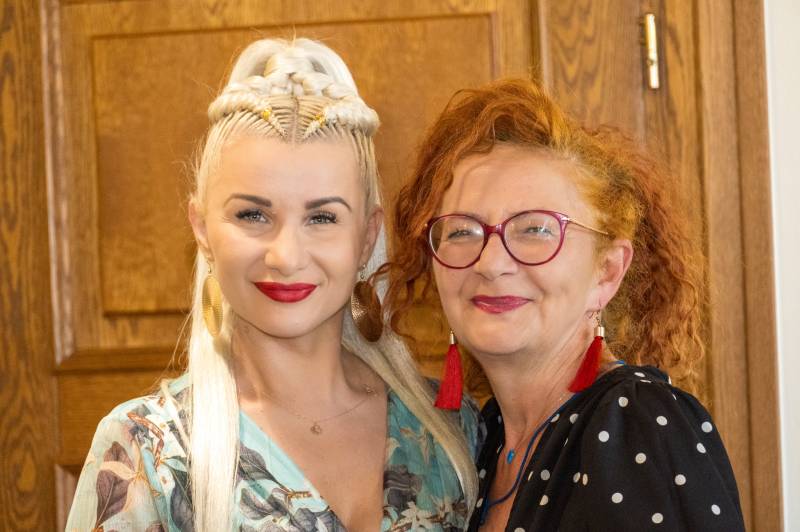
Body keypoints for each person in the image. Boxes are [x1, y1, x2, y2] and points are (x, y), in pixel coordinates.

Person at [66, 38, 479, 532]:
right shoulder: (145, 453)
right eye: (252, 215)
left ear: (368, 235)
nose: (285, 256)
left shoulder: (451, 431)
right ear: (202, 229)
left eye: (322, 217)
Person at [384, 79, 745, 531]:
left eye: (535, 229)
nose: (491, 263)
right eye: (461, 231)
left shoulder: (637, 424)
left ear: (607, 271)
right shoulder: (480, 442)